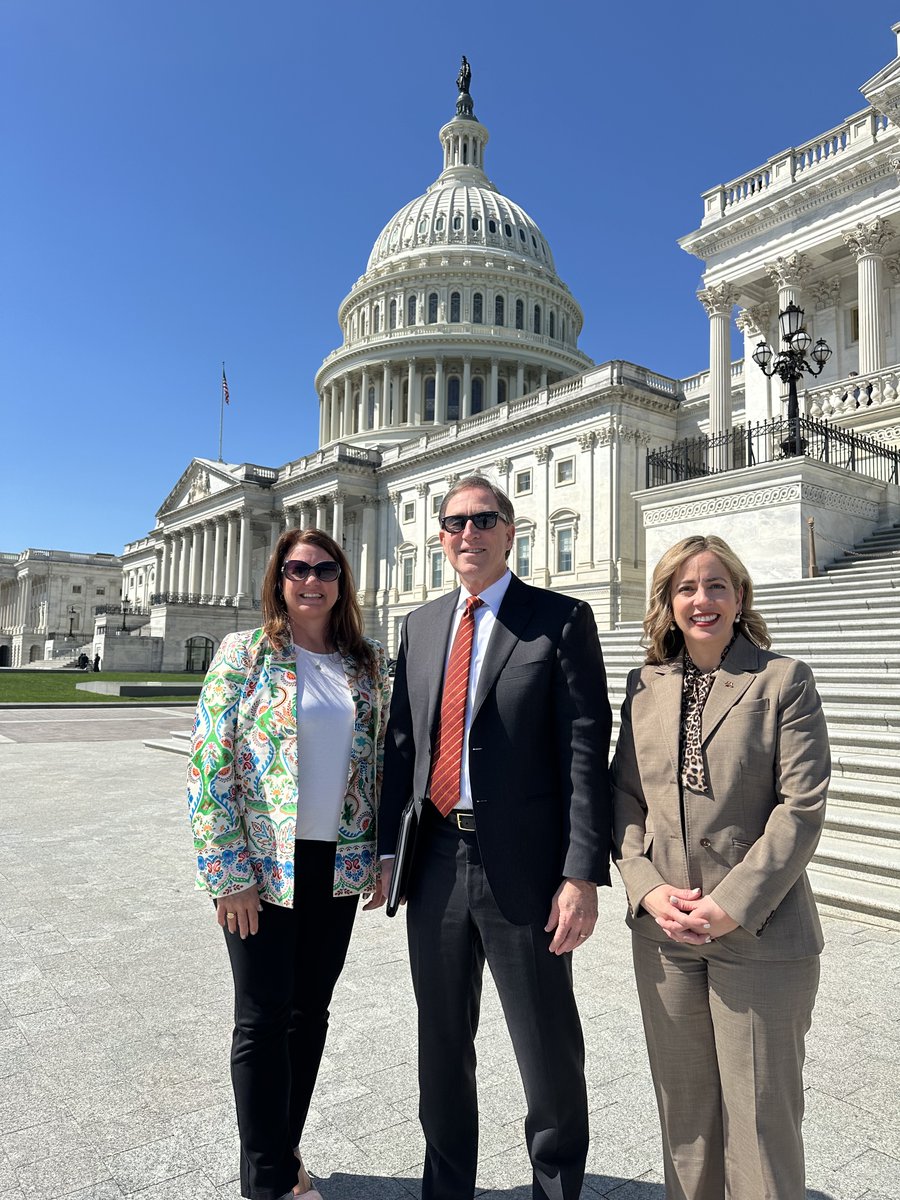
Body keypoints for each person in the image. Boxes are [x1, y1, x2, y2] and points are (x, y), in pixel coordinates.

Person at [379, 474, 612, 1200]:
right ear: (440, 537)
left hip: (529, 869)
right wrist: (389, 848)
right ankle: (446, 1188)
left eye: (483, 520)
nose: (467, 534)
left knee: (546, 1053)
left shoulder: (561, 619)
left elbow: (585, 749)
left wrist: (581, 875)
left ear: (511, 531)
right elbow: (401, 746)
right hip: (438, 864)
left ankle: (556, 1186)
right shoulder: (419, 627)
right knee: (442, 1047)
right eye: (454, 523)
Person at [611, 534, 830, 1200]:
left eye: (715, 586)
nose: (700, 600)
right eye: (685, 588)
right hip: (666, 937)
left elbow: (802, 806)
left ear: (739, 597)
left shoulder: (782, 679)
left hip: (759, 935)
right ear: (668, 603)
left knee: (761, 1127)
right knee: (686, 1121)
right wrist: (647, 892)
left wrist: (730, 902)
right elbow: (624, 796)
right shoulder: (643, 684)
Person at [187, 528, 391, 1200]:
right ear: (278, 579)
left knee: (310, 1013)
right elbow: (209, 765)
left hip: (337, 862)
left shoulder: (364, 663)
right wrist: (228, 873)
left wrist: (381, 854)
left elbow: (382, 766)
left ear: (342, 580)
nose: (312, 580)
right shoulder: (244, 653)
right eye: (297, 568)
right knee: (261, 1016)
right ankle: (269, 1181)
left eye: (325, 568)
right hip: (261, 867)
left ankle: (282, 1151)